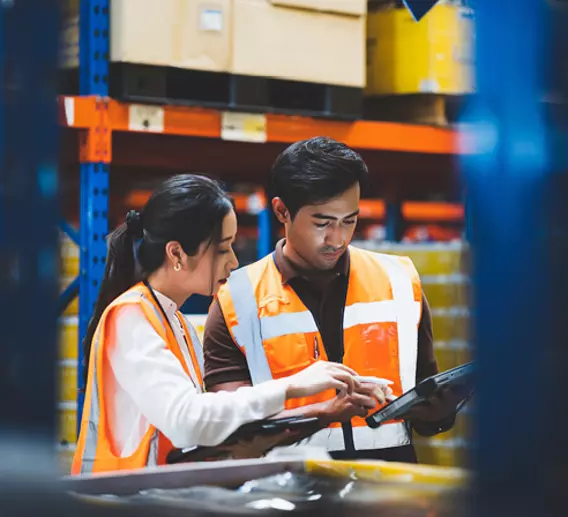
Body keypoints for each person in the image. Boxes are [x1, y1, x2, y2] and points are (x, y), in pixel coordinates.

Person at [71, 174, 372, 475]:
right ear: (176, 253)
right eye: (223, 248)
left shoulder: (176, 322)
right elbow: (186, 420)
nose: (233, 262)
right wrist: (292, 386)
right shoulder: (130, 317)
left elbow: (203, 427)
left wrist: (319, 412)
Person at [203, 137, 463, 463]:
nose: (337, 238)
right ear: (282, 211)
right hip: (288, 497)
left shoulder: (399, 282)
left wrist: (438, 412)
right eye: (322, 223)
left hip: (386, 496)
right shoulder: (236, 301)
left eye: (349, 221)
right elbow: (227, 427)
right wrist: (325, 412)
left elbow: (426, 410)